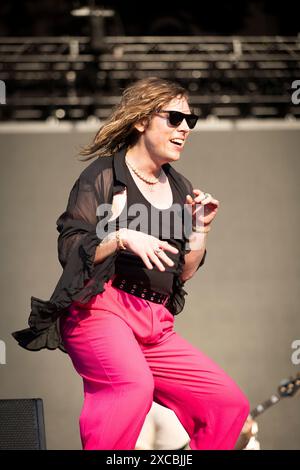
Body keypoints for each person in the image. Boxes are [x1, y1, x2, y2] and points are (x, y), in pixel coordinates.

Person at [12, 77, 250, 450]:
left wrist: (200, 230)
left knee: (227, 404)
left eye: (191, 120)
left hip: (154, 322)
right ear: (141, 120)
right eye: (174, 118)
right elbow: (70, 247)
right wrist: (121, 237)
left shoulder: (181, 188)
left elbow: (181, 273)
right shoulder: (105, 176)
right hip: (100, 311)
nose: (185, 128)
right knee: (131, 386)